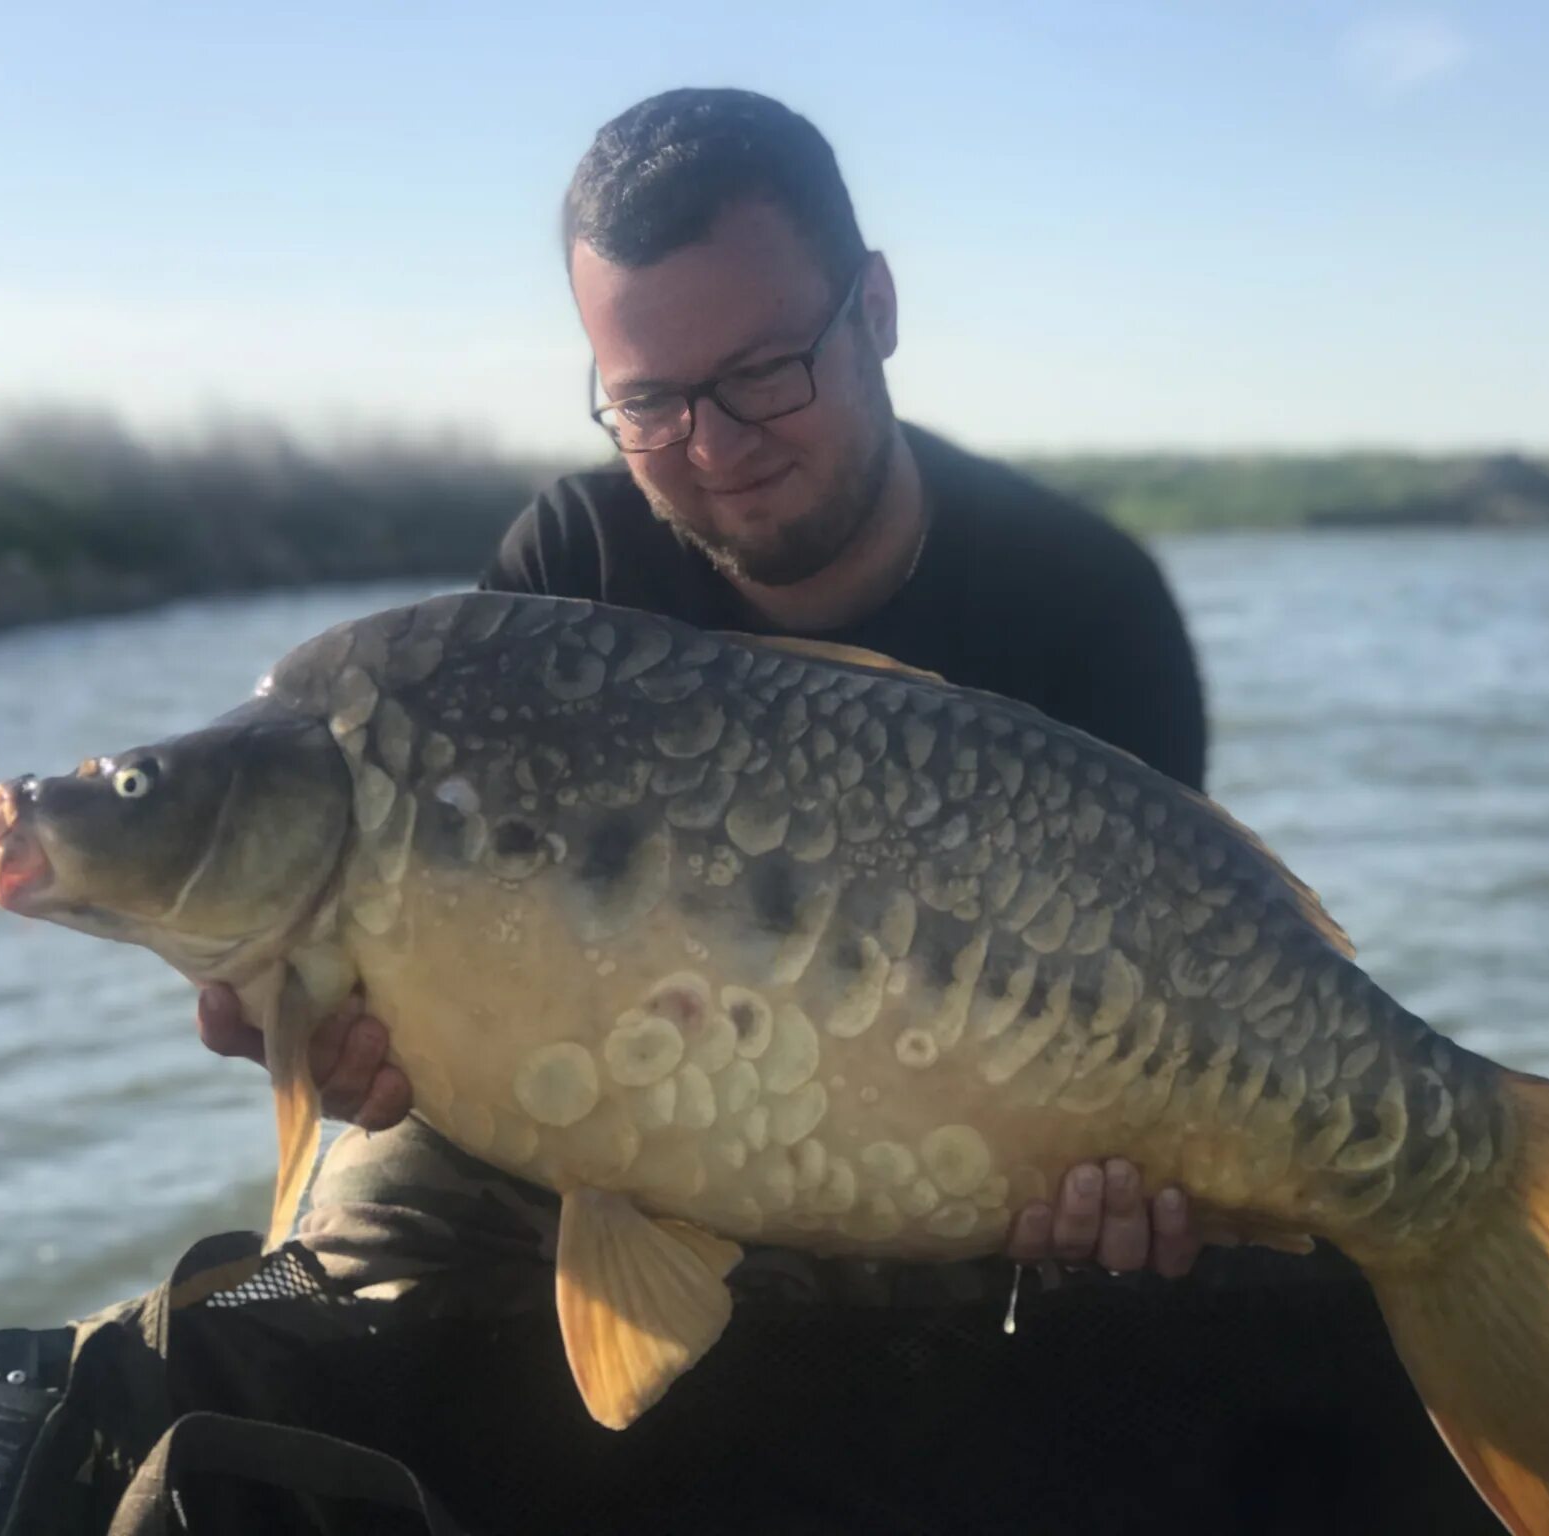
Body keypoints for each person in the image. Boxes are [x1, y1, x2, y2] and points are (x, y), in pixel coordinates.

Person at [197, 86, 1215, 1281]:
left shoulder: (1089, 605)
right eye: (647, 402)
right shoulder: (562, 575)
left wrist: (1130, 1200)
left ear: (875, 310)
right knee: (350, 1248)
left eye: (765, 371)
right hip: (610, 1127)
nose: (716, 449)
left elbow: (1177, 995)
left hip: (946, 1161)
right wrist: (354, 1035)